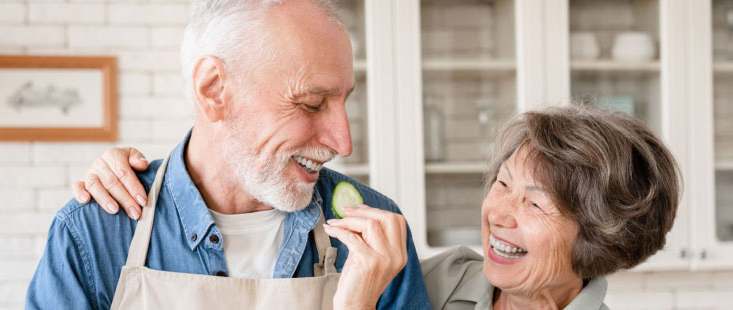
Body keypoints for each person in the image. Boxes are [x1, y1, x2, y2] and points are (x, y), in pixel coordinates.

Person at [26, 0, 430, 309]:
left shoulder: (375, 238)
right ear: (214, 90)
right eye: (311, 103)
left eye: (344, 100)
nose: (344, 143)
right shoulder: (95, 235)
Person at [74, 105, 681, 309]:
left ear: (596, 235)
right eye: (501, 183)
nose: (499, 212)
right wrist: (156, 176)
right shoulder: (437, 279)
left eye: (535, 202)